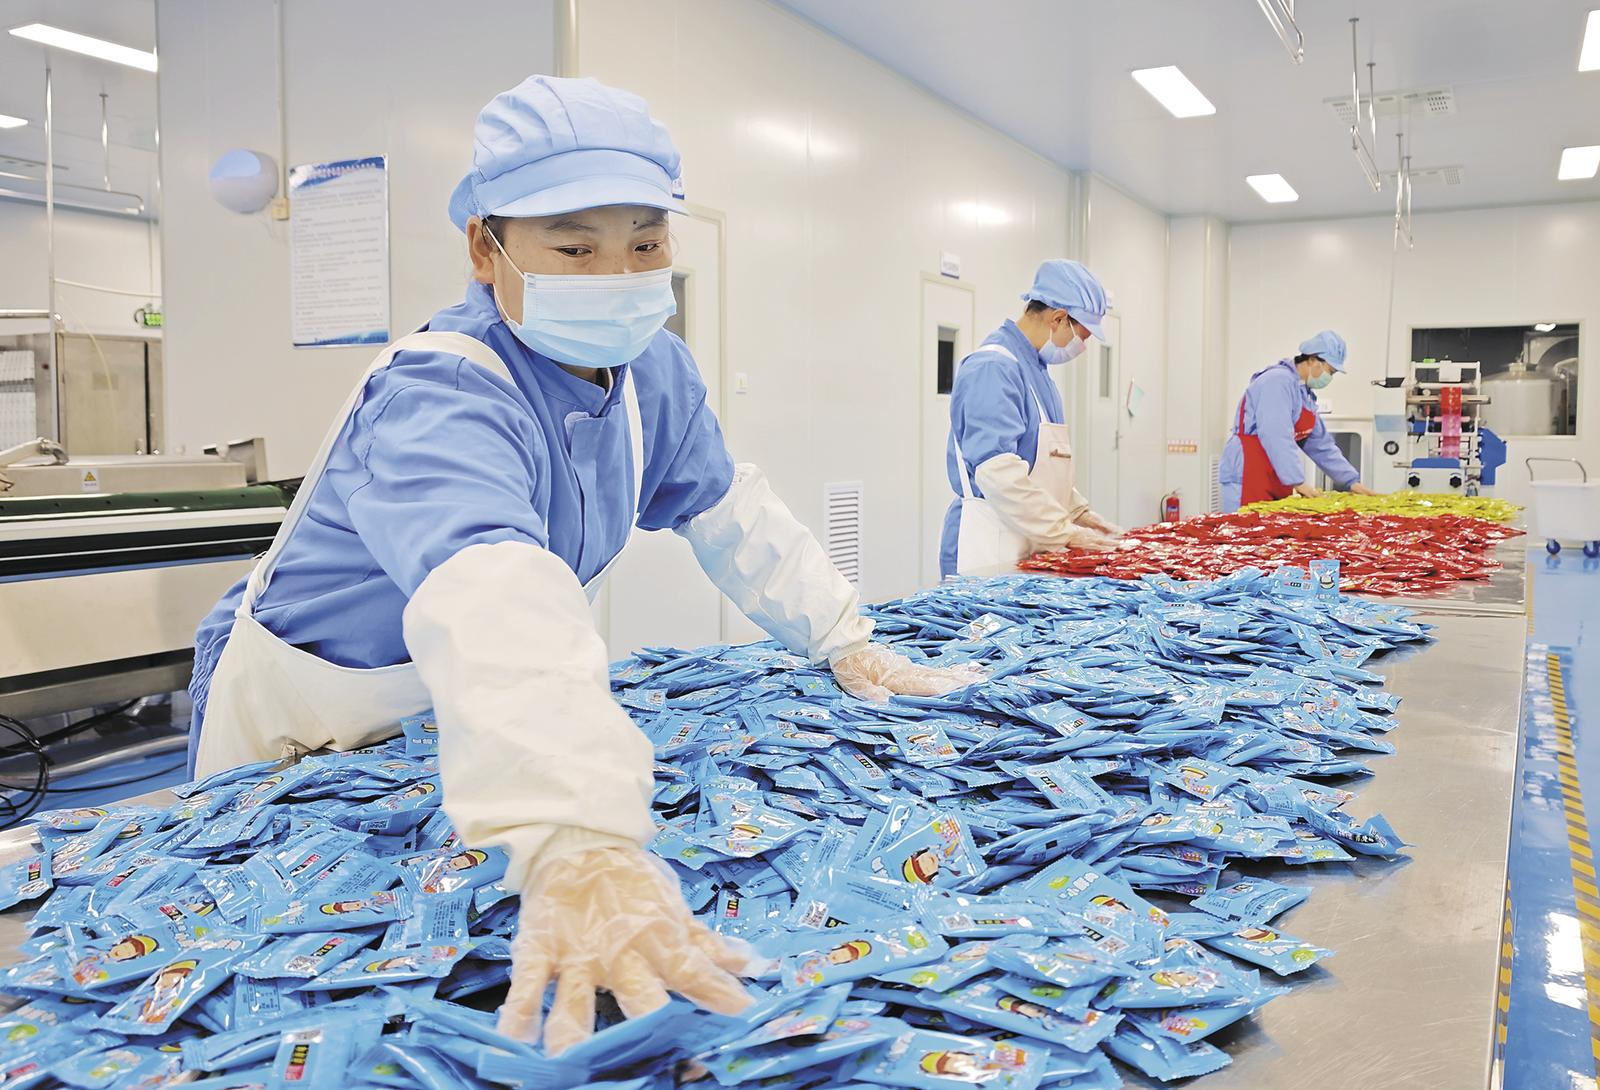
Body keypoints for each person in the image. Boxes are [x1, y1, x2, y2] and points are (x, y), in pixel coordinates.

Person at [185, 75, 978, 1053]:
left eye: (645, 243)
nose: (617, 274)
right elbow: (493, 594)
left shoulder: (655, 373)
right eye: (573, 248)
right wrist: (577, 837)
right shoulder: (440, 389)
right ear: (485, 249)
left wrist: (844, 637)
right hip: (312, 719)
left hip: (465, 727)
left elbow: (729, 509)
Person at [940, 260, 1122, 578]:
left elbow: (1041, 467)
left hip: (1024, 542)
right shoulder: (993, 368)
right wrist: (1064, 531)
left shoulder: (1036, 372)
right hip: (987, 544)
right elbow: (997, 472)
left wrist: (1078, 512)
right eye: (1082, 336)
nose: (1081, 347)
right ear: (1058, 318)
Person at [1218, 330, 1377, 512]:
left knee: (1272, 528)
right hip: (1249, 469)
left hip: (1276, 473)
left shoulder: (1304, 394)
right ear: (1313, 360)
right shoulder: (1277, 381)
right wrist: (1297, 481)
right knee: (1245, 526)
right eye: (1330, 371)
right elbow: (1275, 434)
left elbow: (1321, 445)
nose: (1330, 378)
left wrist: (1351, 481)